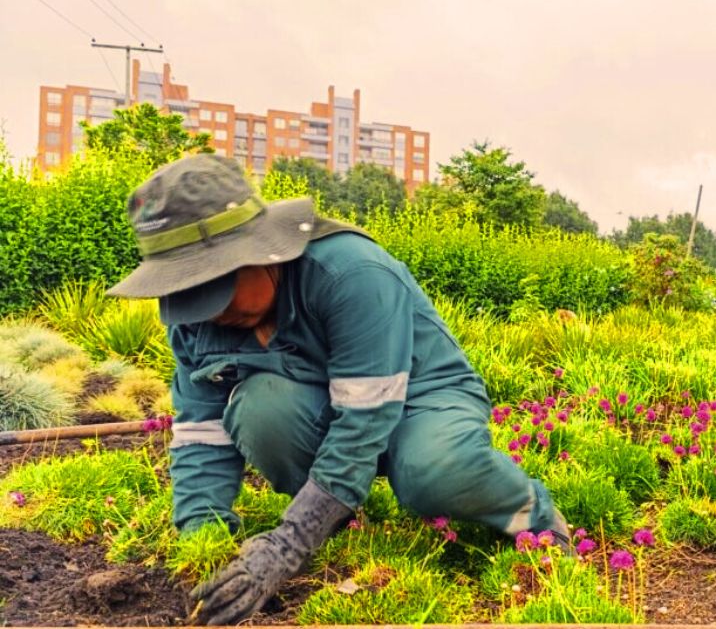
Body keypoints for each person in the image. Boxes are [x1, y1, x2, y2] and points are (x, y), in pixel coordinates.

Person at [107, 154, 569, 625]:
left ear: (262, 252)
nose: (207, 312)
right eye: (187, 292)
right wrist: (201, 545)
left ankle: (532, 515)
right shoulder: (196, 323)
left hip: (421, 395)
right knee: (260, 410)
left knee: (431, 470)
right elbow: (199, 432)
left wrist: (288, 545)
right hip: (320, 400)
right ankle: (337, 517)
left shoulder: (349, 272)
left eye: (213, 289)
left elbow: (363, 423)